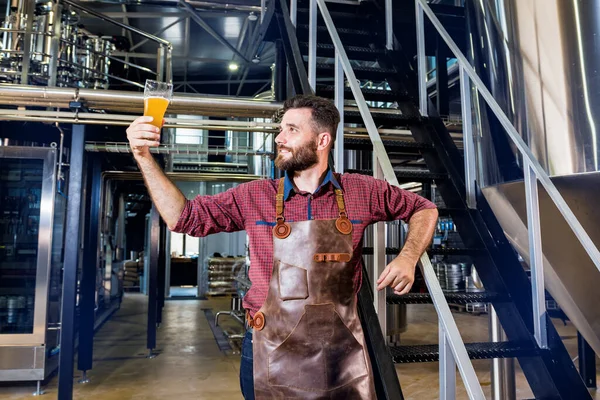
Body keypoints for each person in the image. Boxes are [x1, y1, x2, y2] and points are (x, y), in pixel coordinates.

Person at [126, 94, 438, 399]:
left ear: (322, 141)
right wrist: (142, 155)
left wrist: (408, 257)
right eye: (280, 129)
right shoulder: (254, 196)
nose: (279, 138)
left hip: (340, 352)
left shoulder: (361, 190)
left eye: (291, 129)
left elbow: (424, 208)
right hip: (269, 347)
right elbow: (184, 218)